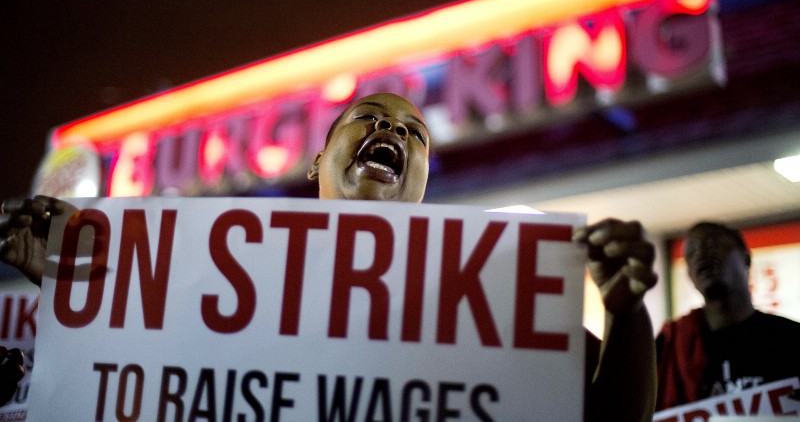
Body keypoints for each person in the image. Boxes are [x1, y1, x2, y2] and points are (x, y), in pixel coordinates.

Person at [1, 93, 658, 422]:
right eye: (369, 117)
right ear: (320, 160)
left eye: (412, 133)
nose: (390, 133)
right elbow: (128, 390)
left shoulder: (487, 293)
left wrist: (628, 315)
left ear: (425, 174)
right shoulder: (216, 275)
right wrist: (71, 302)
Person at [656, 221, 800, 410]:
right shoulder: (668, 347)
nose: (701, 255)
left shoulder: (791, 338)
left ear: (746, 259)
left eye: (711, 245)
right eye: (691, 253)